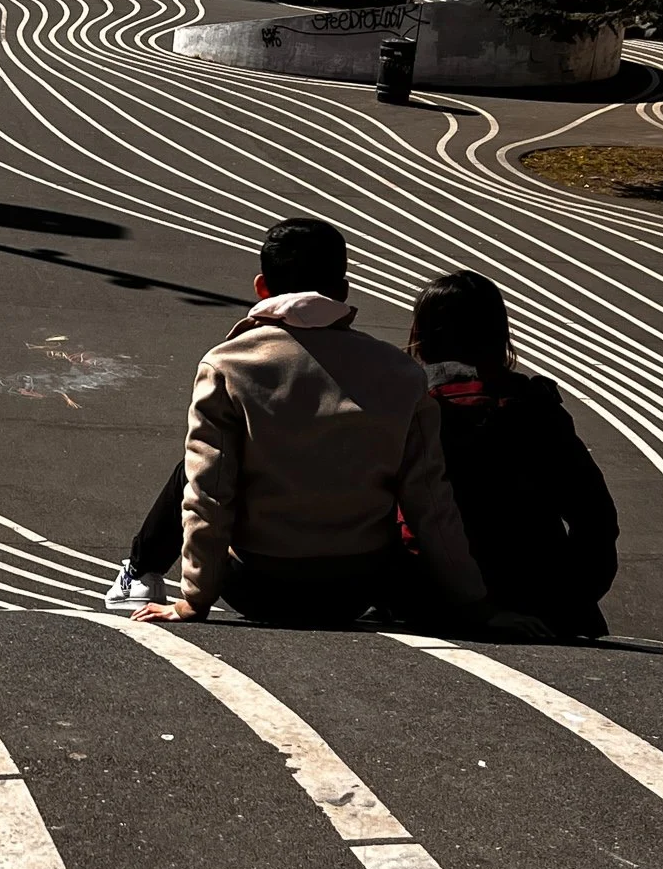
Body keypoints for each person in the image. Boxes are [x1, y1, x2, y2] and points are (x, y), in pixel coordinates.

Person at [111, 218, 531, 635]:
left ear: (262, 287)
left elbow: (209, 495)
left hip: (258, 586)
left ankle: (139, 573)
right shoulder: (401, 373)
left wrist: (195, 599)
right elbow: (431, 502)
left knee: (200, 462)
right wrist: (477, 606)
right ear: (344, 290)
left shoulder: (227, 364)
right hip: (357, 587)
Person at [405, 270, 618, 636]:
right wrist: (571, 598)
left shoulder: (410, 403)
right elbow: (595, 515)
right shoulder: (534, 404)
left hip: (431, 596)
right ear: (499, 333)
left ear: (422, 334)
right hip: (539, 595)